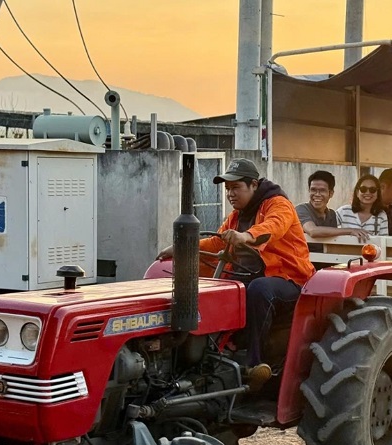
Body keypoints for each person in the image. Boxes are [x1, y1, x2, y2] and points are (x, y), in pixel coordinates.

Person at [157, 158, 314, 385]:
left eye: (236, 187)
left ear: (253, 185)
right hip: (250, 276)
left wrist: (246, 236)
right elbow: (216, 243)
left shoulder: (278, 204)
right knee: (219, 289)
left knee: (259, 289)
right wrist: (181, 247)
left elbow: (273, 227)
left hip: (290, 279)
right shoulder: (236, 216)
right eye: (228, 189)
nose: (230, 194)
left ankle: (254, 363)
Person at [295, 170, 368, 254]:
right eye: (313, 190)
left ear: (331, 193)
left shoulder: (331, 214)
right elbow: (312, 231)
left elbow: (332, 243)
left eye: (322, 190)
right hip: (304, 260)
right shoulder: (301, 209)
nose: (317, 194)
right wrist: (350, 230)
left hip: (327, 259)